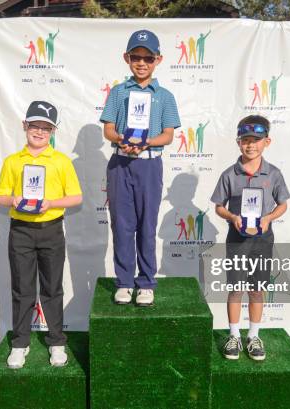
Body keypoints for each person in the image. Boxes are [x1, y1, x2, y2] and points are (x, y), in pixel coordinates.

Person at [0, 100, 82, 369]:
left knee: (52, 288)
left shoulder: (62, 161)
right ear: (25, 126)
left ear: (53, 131)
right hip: (21, 231)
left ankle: (57, 342)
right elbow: (0, 196)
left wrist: (51, 204)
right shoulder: (13, 161)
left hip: (52, 230)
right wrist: (13, 200)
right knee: (22, 289)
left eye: (46, 127)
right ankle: (20, 343)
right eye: (35, 125)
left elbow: (76, 197)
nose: (40, 131)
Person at [100, 29, 181, 307]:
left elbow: (168, 135)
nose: (142, 62)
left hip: (149, 166)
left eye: (148, 57)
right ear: (127, 58)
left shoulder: (165, 96)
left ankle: (146, 281)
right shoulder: (118, 92)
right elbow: (109, 129)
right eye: (136, 56)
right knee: (122, 226)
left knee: (147, 224)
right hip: (120, 163)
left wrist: (146, 142)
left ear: (159, 59)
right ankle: (124, 281)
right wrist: (123, 138)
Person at [210, 115, 290, 360]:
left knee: (256, 289)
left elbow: (283, 204)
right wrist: (232, 217)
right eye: (246, 140)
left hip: (263, 240)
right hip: (237, 238)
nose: (251, 145)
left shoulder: (273, 173)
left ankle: (253, 336)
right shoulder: (229, 174)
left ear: (267, 141)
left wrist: (268, 218)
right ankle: (233, 335)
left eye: (256, 140)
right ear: (238, 142)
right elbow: (218, 206)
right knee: (235, 288)